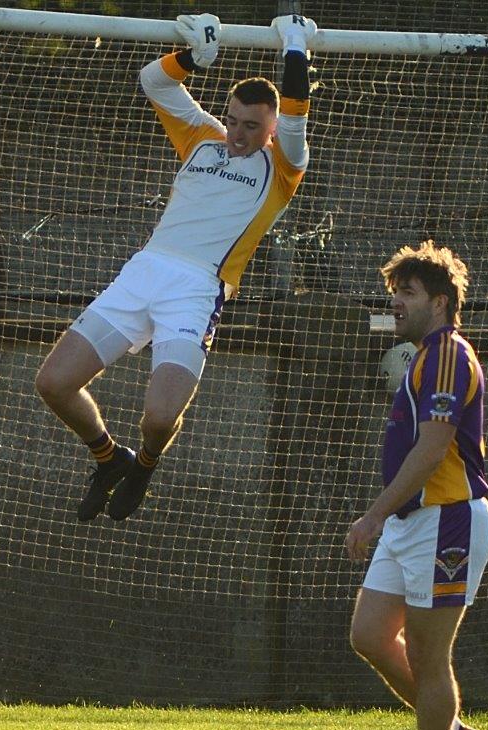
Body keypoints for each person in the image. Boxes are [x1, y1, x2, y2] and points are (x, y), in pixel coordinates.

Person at [35, 13, 316, 521]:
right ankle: (108, 457)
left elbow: (296, 117)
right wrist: (193, 57)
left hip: (197, 289)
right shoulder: (202, 137)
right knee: (53, 383)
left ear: (270, 128)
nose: (236, 133)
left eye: (251, 126)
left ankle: (143, 463)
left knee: (160, 417)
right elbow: (153, 81)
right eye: (232, 119)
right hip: (144, 271)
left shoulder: (283, 168)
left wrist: (295, 43)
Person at [345, 242, 488, 730]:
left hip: (447, 519)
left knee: (431, 657)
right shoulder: (423, 356)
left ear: (441, 301)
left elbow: (432, 451)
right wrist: (388, 517)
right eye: (395, 293)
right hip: (413, 521)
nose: (397, 304)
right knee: (370, 635)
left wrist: (373, 516)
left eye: (407, 293)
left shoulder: (449, 354)